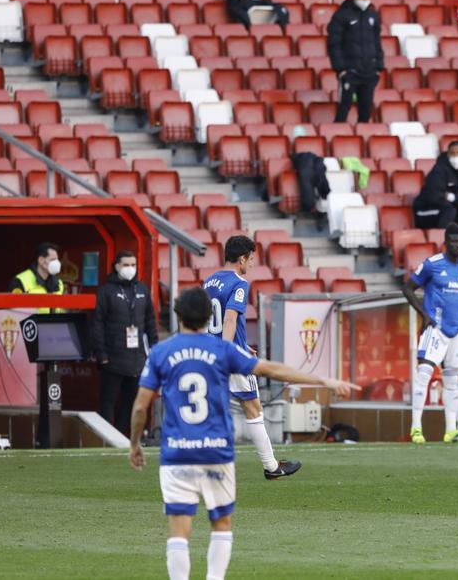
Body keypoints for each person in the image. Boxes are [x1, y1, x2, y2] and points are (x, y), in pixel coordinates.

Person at [128, 287, 358, 580]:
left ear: (178, 316)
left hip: (177, 454)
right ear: (210, 316)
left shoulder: (161, 352)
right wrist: (323, 379)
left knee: (179, 529)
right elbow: (273, 370)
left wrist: (135, 443)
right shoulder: (224, 350)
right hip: (216, 452)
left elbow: (140, 406)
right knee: (221, 524)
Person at [204, 235, 300, 480]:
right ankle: (271, 466)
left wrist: (242, 344)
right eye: (251, 259)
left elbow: (209, 321)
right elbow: (229, 319)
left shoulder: (209, 282)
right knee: (253, 408)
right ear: (242, 258)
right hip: (230, 357)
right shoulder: (239, 283)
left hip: (210, 351)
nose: (252, 264)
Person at [402, 224, 458, 444]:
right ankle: (416, 429)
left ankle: (451, 431)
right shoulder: (432, 264)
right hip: (436, 328)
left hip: (456, 332)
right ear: (446, 242)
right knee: (423, 375)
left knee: (452, 381)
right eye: (454, 241)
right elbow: (408, 288)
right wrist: (424, 315)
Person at [90, 251, 158, 435]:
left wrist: (154, 348)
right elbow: (97, 323)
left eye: (133, 265)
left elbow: (150, 320)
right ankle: (105, 437)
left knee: (132, 400)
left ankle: (119, 435)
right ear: (117, 266)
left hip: (137, 358)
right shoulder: (106, 291)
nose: (130, 269)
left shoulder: (142, 289)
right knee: (108, 401)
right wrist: (101, 354)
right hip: (112, 358)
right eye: (126, 265)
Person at [327, 0, 383, 123]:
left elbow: (377, 42)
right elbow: (334, 44)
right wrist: (340, 69)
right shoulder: (342, 15)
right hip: (350, 72)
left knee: (366, 111)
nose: (366, 0)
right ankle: (338, 138)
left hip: (369, 72)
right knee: (343, 108)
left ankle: (363, 141)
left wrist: (378, 67)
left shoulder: (373, 16)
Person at [9, 241, 64, 311]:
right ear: (41, 260)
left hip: (54, 322)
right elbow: (14, 312)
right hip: (31, 322)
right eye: (52, 259)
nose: (57, 263)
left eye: (57, 259)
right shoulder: (20, 281)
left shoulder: (59, 284)